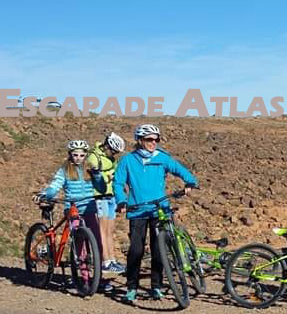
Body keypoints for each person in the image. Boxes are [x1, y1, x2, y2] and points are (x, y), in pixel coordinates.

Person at [114, 124, 199, 304]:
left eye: (156, 139)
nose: (153, 143)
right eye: (149, 139)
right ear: (140, 141)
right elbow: (118, 182)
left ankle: (156, 286)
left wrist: (190, 182)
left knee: (158, 250)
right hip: (137, 210)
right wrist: (121, 201)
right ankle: (131, 288)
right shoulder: (127, 160)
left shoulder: (162, 158)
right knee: (136, 250)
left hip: (160, 209)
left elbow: (180, 170)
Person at [33, 140, 109, 291]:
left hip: (89, 208)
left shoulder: (90, 169)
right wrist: (47, 194)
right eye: (75, 155)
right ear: (70, 155)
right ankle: (85, 279)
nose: (78, 158)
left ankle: (97, 278)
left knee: (97, 243)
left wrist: (98, 176)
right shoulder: (64, 170)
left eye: (82, 155)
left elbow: (101, 187)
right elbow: (55, 186)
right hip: (72, 208)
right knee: (80, 244)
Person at [86, 132, 126, 274]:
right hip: (100, 197)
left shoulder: (111, 159)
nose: (113, 154)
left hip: (111, 196)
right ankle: (105, 261)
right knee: (102, 230)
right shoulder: (94, 156)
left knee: (110, 230)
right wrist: (101, 175)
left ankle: (112, 260)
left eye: (116, 152)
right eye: (113, 151)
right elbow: (94, 174)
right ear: (107, 145)